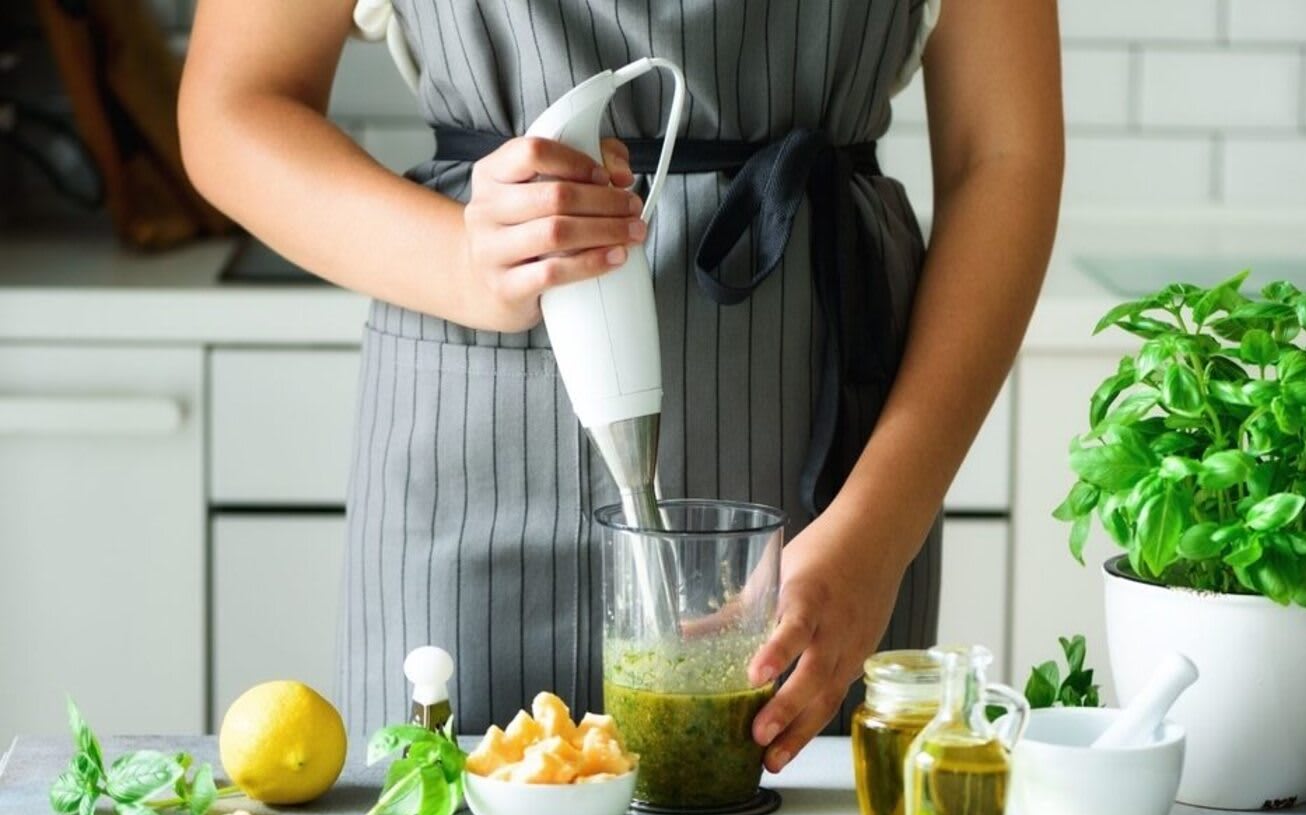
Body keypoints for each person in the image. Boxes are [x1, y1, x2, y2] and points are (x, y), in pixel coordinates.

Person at [179, 0, 1063, 774]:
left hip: (827, 473)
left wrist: (877, 532)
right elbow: (233, 105)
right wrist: (459, 260)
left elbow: (1005, 152)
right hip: (474, 443)